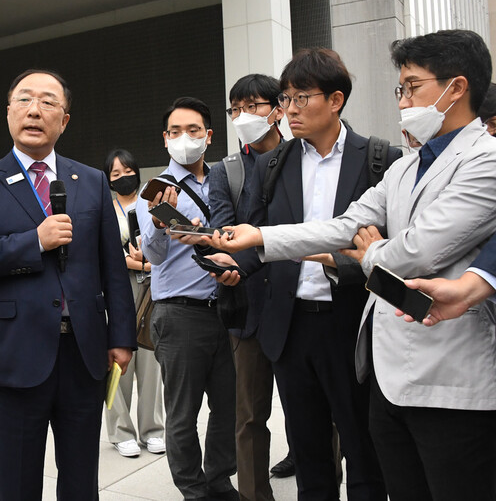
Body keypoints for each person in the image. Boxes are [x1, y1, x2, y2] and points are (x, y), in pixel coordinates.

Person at [212, 30, 496, 500]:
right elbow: (347, 224)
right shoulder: (407, 166)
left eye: (411, 87)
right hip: (387, 368)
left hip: (449, 374)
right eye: (399, 90)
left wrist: (371, 256)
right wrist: (260, 236)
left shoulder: (483, 160)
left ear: (457, 88)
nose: (403, 100)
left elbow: (419, 250)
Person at [206, 50, 398, 501]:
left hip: (350, 322)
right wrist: (233, 265)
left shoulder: (378, 159)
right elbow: (259, 236)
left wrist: (343, 263)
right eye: (285, 98)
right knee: (309, 450)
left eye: (300, 98)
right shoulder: (274, 164)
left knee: (362, 447)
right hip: (289, 327)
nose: (288, 109)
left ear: (336, 100)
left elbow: (386, 250)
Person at [0, 69, 136, 500]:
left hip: (84, 356)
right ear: (9, 112)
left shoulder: (89, 180)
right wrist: (34, 241)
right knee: (14, 485)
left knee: (80, 484)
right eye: (25, 100)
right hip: (15, 358)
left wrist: (122, 337)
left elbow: (112, 265)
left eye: (48, 102)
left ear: (65, 119)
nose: (35, 110)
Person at [135, 97, 239, 501]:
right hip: (179, 314)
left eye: (194, 130)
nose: (185, 139)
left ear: (209, 136)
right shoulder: (156, 189)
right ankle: (193, 490)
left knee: (228, 406)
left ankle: (219, 478)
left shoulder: (224, 180)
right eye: (176, 132)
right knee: (182, 413)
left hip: (227, 307)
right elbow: (154, 255)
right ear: (165, 140)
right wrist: (162, 223)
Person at [210, 74, 294, 500]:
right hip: (248, 308)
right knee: (248, 417)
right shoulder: (226, 170)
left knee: (315, 413)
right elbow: (222, 228)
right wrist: (225, 260)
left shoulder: (302, 158)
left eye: (254, 106)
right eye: (236, 108)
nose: (244, 116)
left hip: (302, 304)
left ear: (279, 108)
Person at [102, 148, 165, 458]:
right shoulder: (104, 208)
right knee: (117, 363)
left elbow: (172, 240)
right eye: (115, 174)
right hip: (118, 291)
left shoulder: (152, 204)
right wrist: (132, 263)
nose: (123, 178)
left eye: (127, 171)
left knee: (152, 364)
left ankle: (153, 428)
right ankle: (120, 430)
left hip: (153, 291)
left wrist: (150, 264)